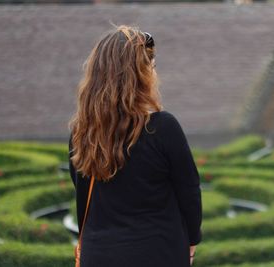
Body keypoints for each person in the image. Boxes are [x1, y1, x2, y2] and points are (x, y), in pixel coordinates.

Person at [68, 24, 202, 267]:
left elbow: (81, 191)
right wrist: (192, 241)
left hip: (99, 254)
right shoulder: (162, 127)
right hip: (159, 252)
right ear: (140, 75)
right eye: (150, 66)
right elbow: (189, 192)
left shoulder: (81, 132)